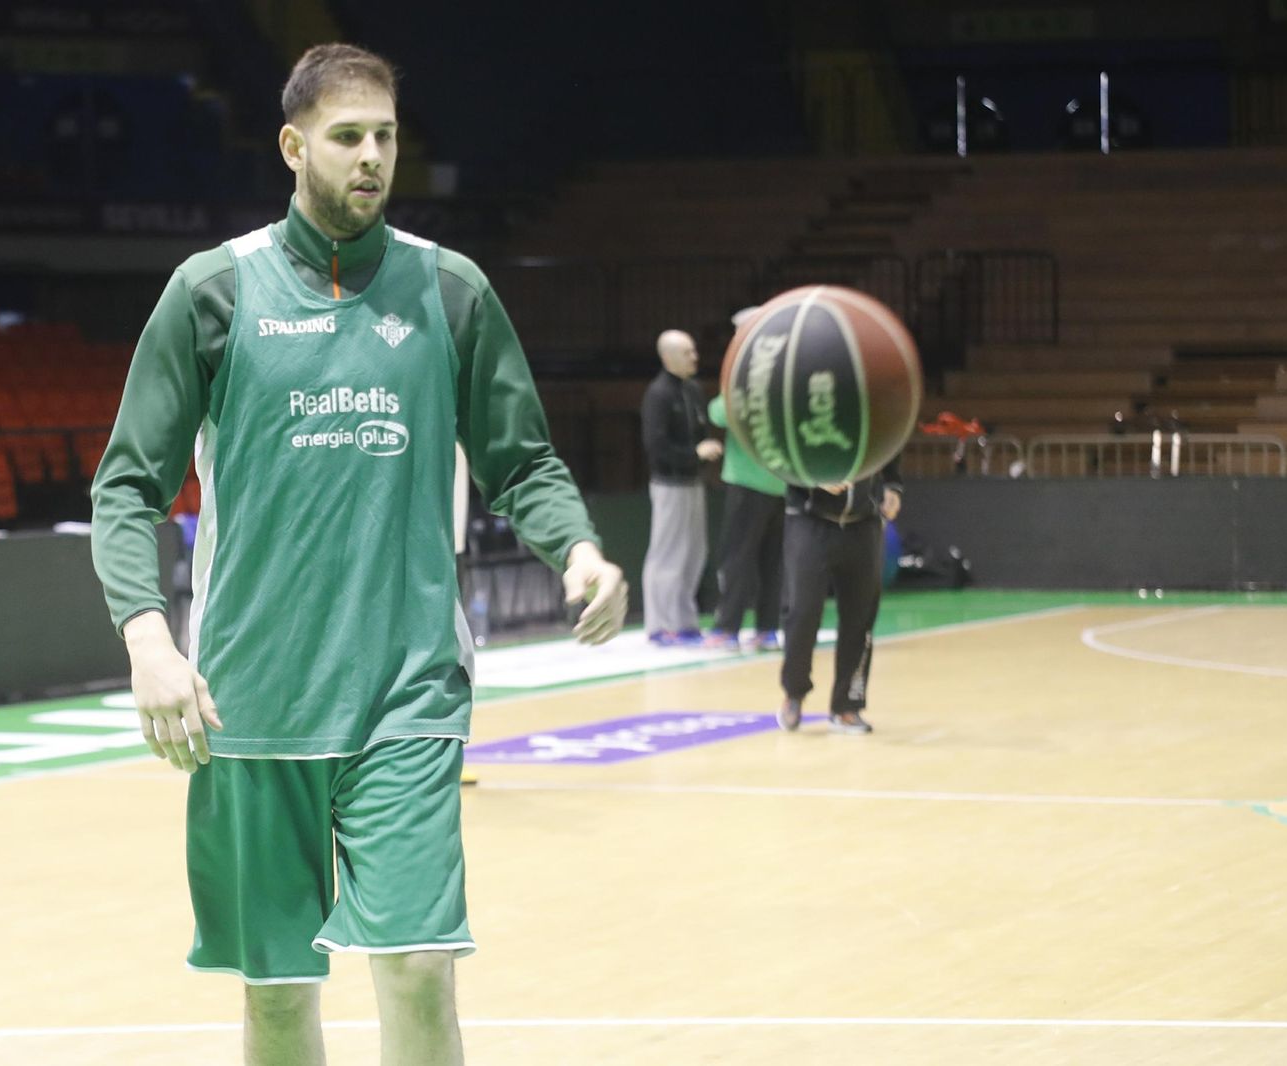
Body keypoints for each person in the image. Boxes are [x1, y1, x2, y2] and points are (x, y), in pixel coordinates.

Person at [89, 43, 627, 1066]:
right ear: (294, 147)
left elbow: (523, 460)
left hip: (405, 694)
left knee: (421, 969)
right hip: (251, 699)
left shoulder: (449, 290)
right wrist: (149, 642)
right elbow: (126, 487)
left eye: (385, 136)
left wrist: (580, 549)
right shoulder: (212, 291)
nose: (371, 156)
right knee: (280, 1002)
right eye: (347, 137)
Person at [777, 461, 902, 735]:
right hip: (809, 521)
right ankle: (794, 693)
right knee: (803, 611)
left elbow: (892, 441)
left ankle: (847, 705)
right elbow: (778, 454)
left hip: (864, 524)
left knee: (861, 616)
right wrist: (812, 477)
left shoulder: (876, 416)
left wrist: (893, 485)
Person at [704, 306, 784, 653]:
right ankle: (767, 630)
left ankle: (726, 630)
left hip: (747, 481)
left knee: (736, 558)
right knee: (772, 561)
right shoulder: (785, 371)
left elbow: (719, 413)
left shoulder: (746, 373)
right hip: (780, 482)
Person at [640, 329, 721, 645]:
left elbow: (697, 435)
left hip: (692, 482)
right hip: (669, 485)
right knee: (667, 554)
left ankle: (684, 621)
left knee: (693, 552)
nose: (695, 357)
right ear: (668, 357)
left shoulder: (693, 390)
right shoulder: (658, 394)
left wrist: (703, 452)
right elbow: (656, 446)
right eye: (688, 352)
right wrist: (694, 454)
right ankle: (660, 625)